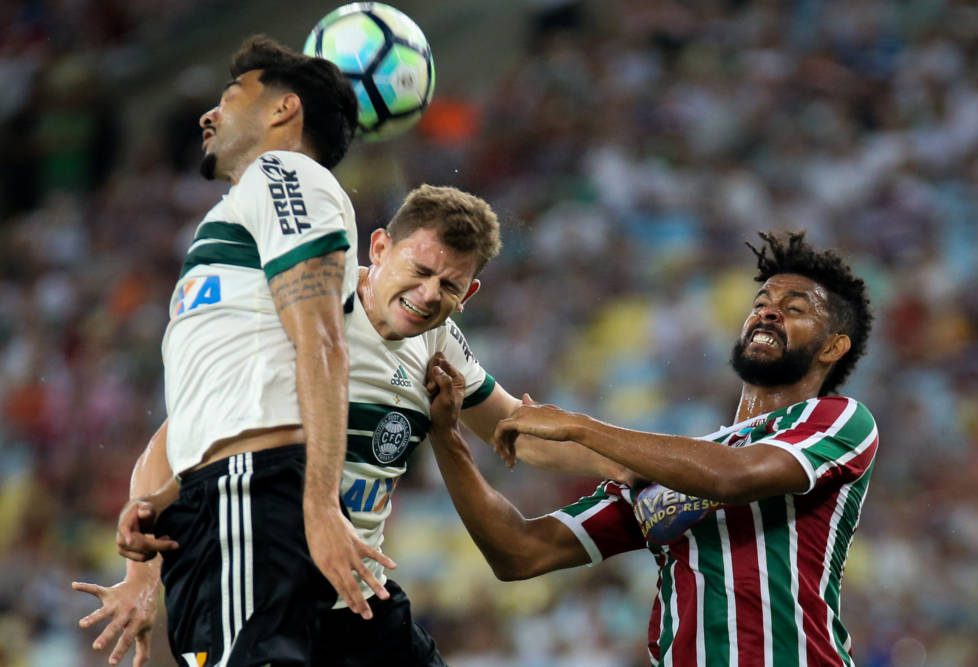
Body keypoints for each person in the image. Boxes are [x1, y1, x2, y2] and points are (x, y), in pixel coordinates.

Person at [75, 184, 631, 666]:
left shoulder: (435, 341)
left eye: (451, 285)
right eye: (420, 269)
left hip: (355, 600)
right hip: (252, 590)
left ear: (470, 294)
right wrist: (141, 581)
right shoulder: (306, 307)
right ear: (380, 247)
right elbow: (171, 444)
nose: (430, 294)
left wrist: (636, 466)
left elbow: (517, 431)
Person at [72, 34, 391, 667]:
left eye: (231, 94)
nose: (207, 113)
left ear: (283, 110)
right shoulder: (234, 222)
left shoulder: (287, 173)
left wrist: (321, 505)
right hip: (213, 506)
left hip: (251, 491)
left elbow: (323, 342)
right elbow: (197, 409)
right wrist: (145, 563)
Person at [426, 230, 877, 667]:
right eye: (761, 304)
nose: (768, 313)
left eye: (794, 308)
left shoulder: (837, 419)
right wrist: (446, 438)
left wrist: (579, 427)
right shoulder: (666, 467)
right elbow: (519, 552)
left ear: (834, 346)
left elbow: (734, 476)